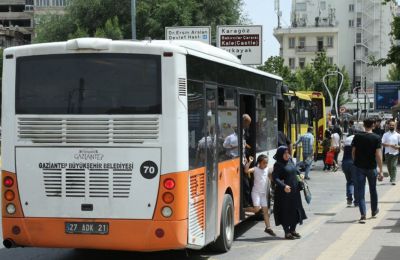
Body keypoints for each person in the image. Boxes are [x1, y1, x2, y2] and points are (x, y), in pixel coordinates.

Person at [352, 118, 384, 224]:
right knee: (373, 190)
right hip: (371, 167)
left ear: (364, 125)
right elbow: (378, 155)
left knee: (360, 191)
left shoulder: (357, 136)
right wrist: (381, 170)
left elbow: (353, 152)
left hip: (359, 167)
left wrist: (355, 162)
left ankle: (363, 215)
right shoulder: (376, 137)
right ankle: (374, 211)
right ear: (373, 125)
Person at [272, 146, 307, 240]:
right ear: (280, 154)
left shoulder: (290, 161)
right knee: (286, 212)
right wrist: (284, 186)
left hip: (295, 191)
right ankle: (287, 232)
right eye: (285, 153)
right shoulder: (278, 165)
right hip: (284, 193)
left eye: (288, 152)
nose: (287, 155)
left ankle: (293, 230)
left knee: (296, 209)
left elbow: (296, 170)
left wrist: (301, 174)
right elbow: (275, 178)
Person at [244, 154, 276, 237]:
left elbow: (271, 177)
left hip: (263, 194)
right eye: (264, 163)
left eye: (267, 163)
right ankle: (243, 210)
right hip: (256, 193)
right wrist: (250, 162)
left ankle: (268, 228)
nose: (266, 164)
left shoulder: (267, 170)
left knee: (265, 212)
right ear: (259, 163)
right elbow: (246, 171)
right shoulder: (255, 169)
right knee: (256, 209)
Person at [381, 120, 400, 185]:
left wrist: (398, 147)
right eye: (390, 125)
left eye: (393, 125)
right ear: (388, 126)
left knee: (393, 166)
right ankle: (391, 177)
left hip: (395, 153)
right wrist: (390, 145)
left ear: (395, 126)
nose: (391, 126)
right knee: (389, 166)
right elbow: (382, 143)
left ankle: (393, 179)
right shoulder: (385, 134)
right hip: (387, 153)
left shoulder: (398, 135)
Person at [342, 133, 357, 207]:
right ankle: (356, 200)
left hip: (345, 163)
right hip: (353, 163)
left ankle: (349, 198)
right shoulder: (358, 139)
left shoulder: (347, 140)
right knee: (356, 182)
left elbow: (343, 149)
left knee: (349, 181)